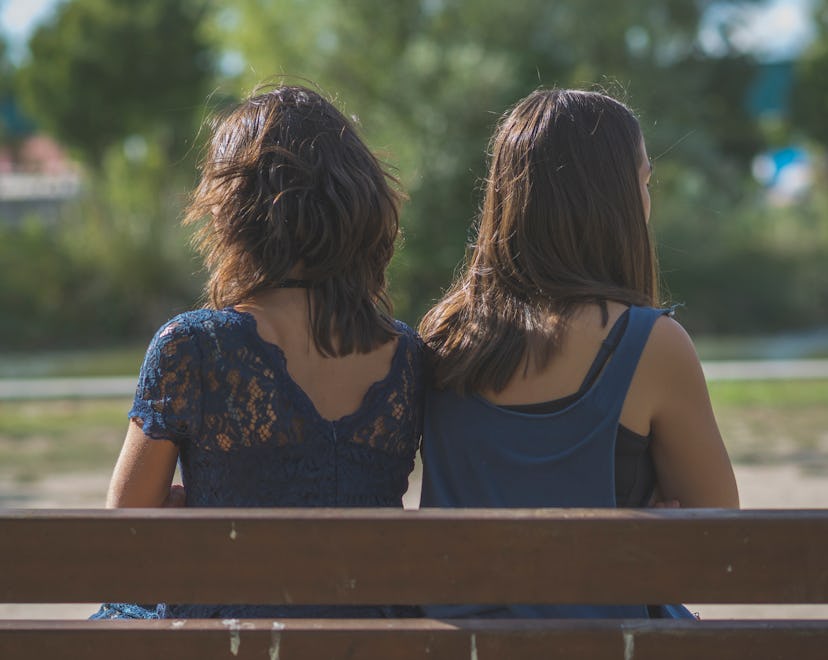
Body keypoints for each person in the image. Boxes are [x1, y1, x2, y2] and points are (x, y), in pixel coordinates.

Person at [92, 84, 424, 620]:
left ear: (233, 214)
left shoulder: (193, 346)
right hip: (367, 638)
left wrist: (187, 506)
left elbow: (122, 541)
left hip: (229, 638)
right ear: (359, 207)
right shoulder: (406, 356)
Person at [418, 88, 739, 619]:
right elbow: (718, 545)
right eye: (645, 180)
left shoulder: (445, 336)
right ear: (616, 198)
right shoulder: (650, 345)